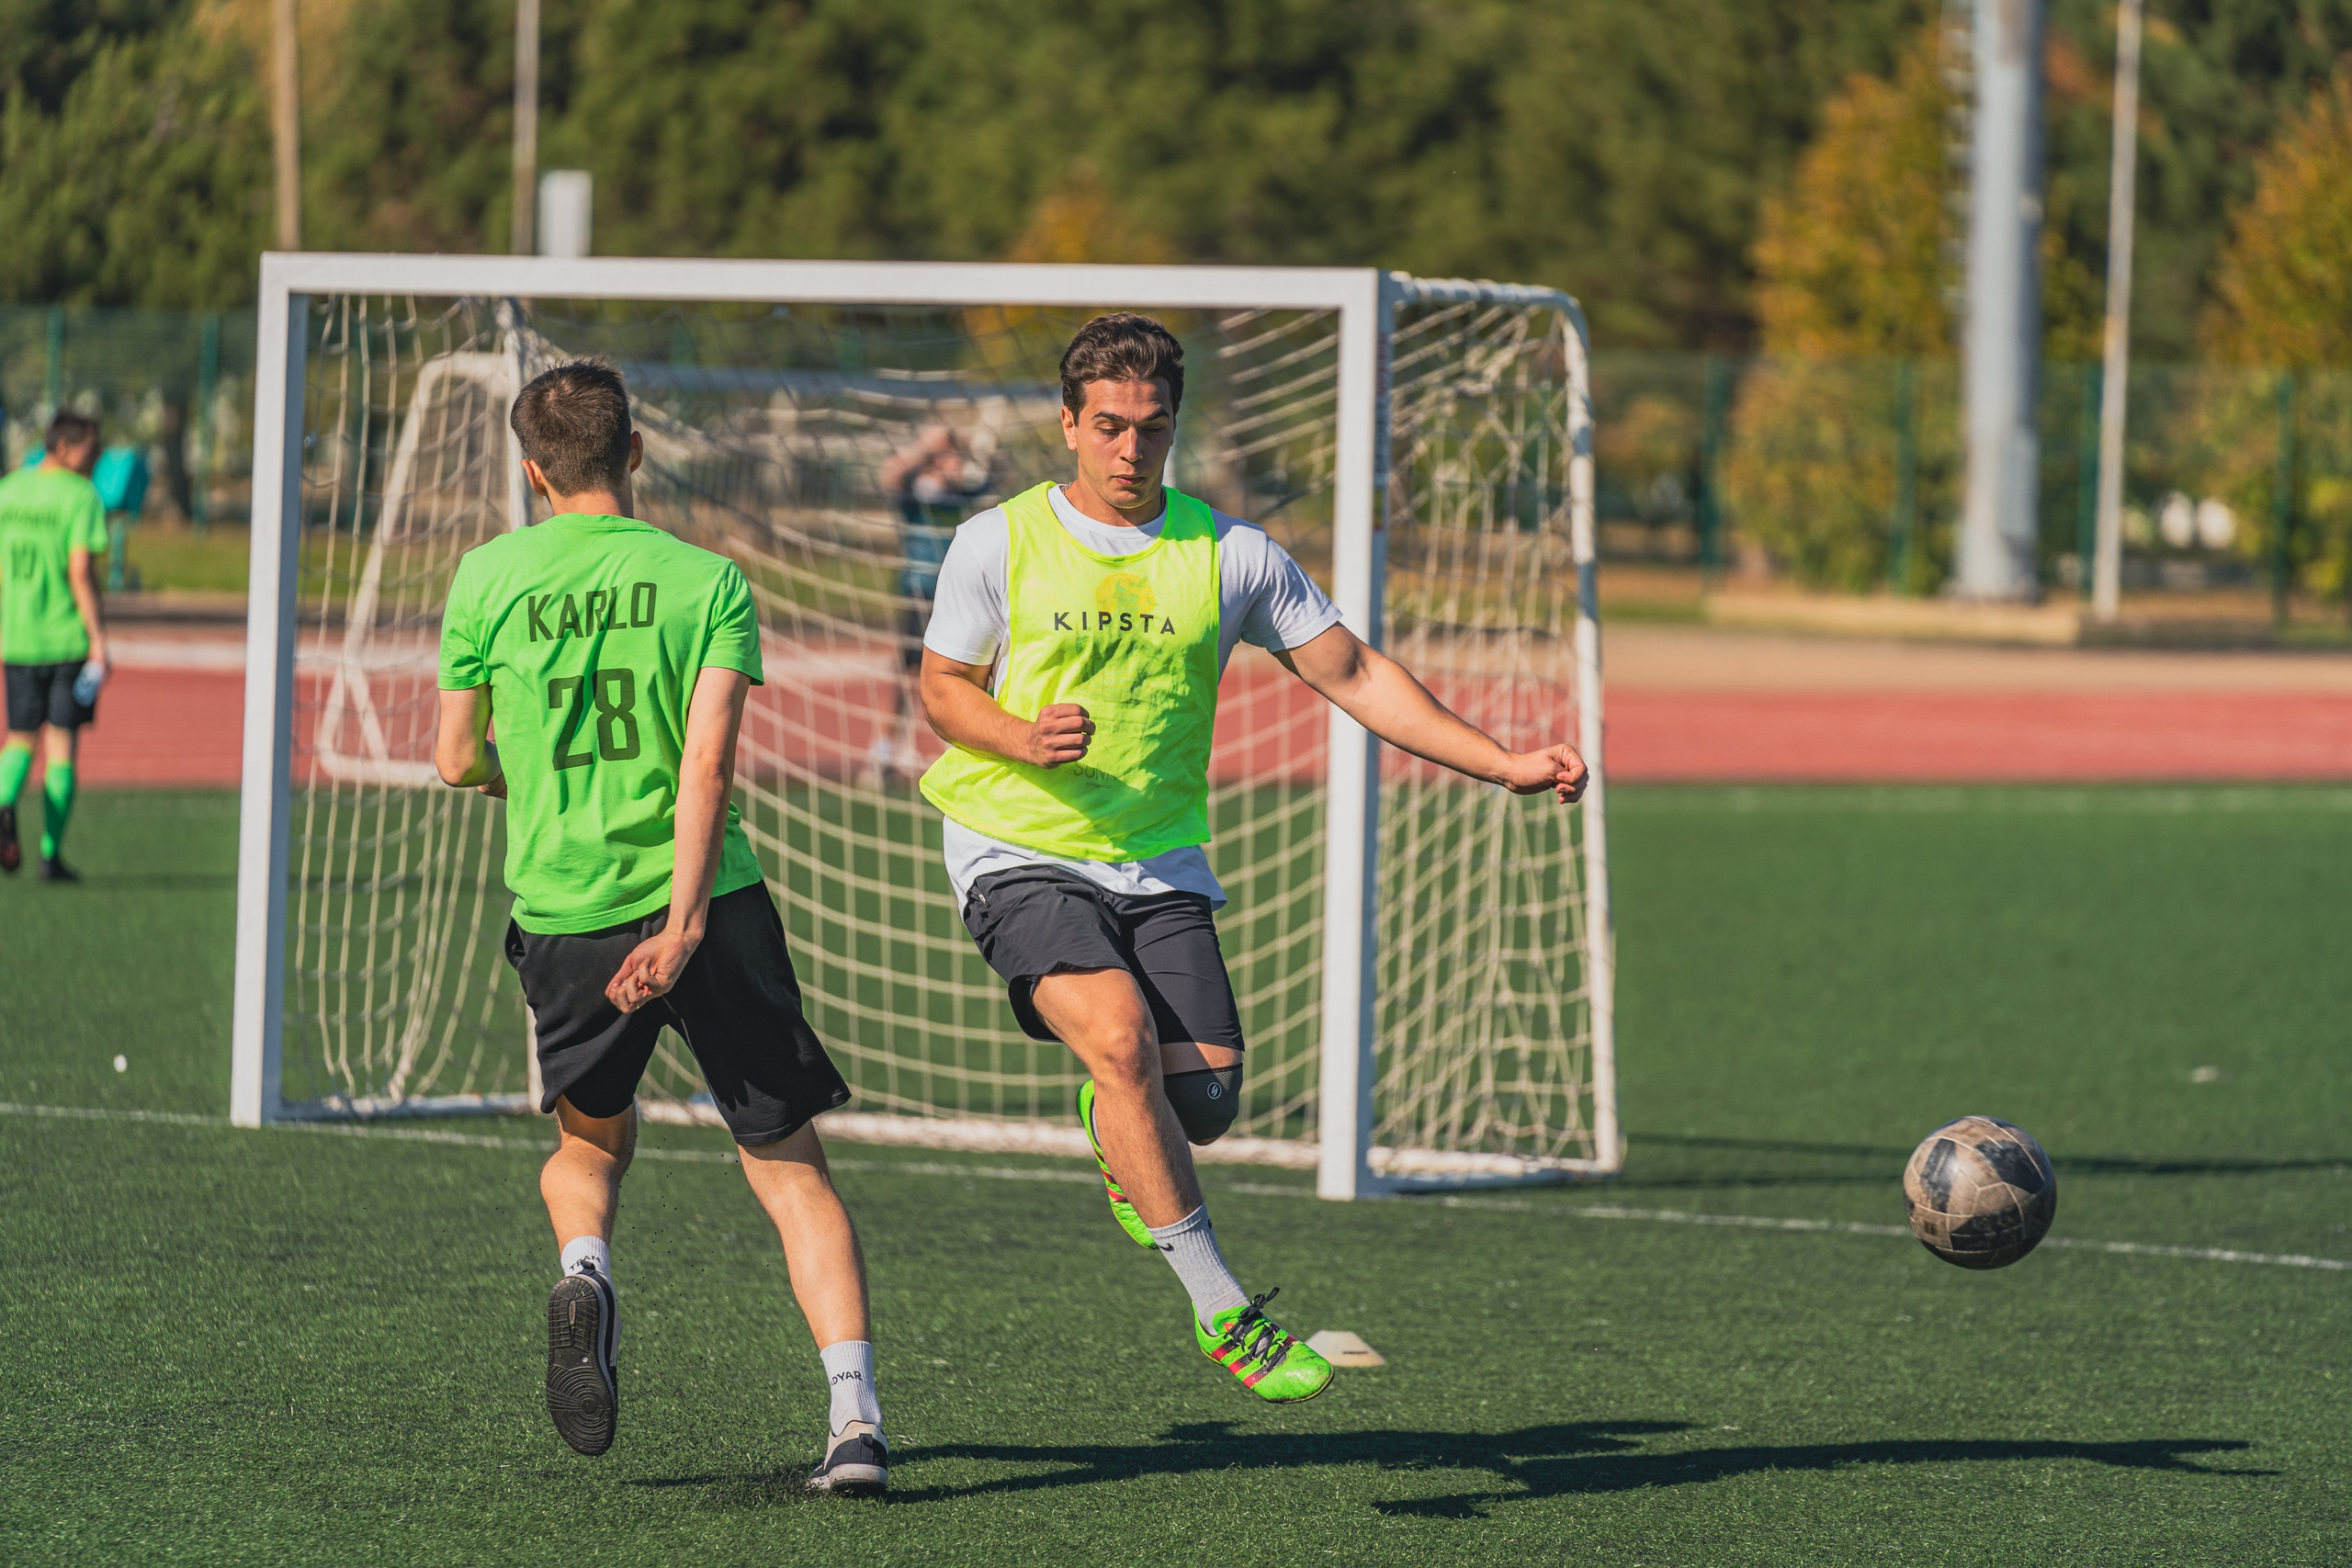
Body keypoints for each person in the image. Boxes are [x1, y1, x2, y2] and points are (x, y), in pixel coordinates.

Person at [918, 313, 1589, 1404]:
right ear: (1068, 425)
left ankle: (1117, 1127)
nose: (1131, 448)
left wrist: (1500, 761)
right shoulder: (996, 541)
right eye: (1108, 426)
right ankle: (1225, 1310)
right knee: (1119, 1039)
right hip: (1015, 841)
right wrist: (1019, 735)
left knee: (1206, 1102)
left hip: (1156, 857)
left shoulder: (1232, 554)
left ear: (1174, 427)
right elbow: (942, 690)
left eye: (1151, 427)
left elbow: (1353, 670)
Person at [434, 358, 889, 1493]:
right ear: (635, 450)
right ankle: (854, 1422)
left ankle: (585, 1270)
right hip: (710, 910)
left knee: (590, 1145)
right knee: (789, 1167)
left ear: (534, 473)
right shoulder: (708, 580)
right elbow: (707, 766)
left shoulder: (486, 576)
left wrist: (522, 776)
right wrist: (683, 924)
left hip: (567, 911)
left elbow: (452, 759)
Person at [0, 410, 110, 882]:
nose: (97, 459)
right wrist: (98, 640)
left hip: (18, 637)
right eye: (92, 450)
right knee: (61, 745)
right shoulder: (80, 495)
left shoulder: (8, 490)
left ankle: (3, 802)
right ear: (64, 447)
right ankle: (51, 856)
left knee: (20, 737)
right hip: (66, 638)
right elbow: (80, 572)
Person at [868, 423, 991, 784]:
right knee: (909, 673)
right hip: (920, 591)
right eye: (951, 457)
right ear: (936, 460)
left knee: (968, 666)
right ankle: (884, 752)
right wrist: (926, 444)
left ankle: (957, 745)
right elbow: (890, 474)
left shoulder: (960, 494)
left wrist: (974, 447)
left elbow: (998, 475)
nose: (958, 465)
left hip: (957, 592)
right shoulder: (917, 492)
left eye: (960, 458)